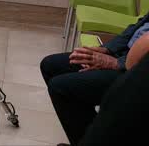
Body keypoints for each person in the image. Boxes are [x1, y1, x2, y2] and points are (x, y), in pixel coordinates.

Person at [40, 13, 149, 146]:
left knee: (61, 88)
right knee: (50, 65)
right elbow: (139, 24)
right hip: (125, 52)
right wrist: (107, 49)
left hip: (138, 69)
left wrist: (116, 63)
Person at [78, 35, 149, 146]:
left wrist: (117, 62)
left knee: (63, 87)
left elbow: (131, 63)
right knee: (54, 65)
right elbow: (133, 30)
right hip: (126, 56)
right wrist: (107, 48)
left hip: (130, 66)